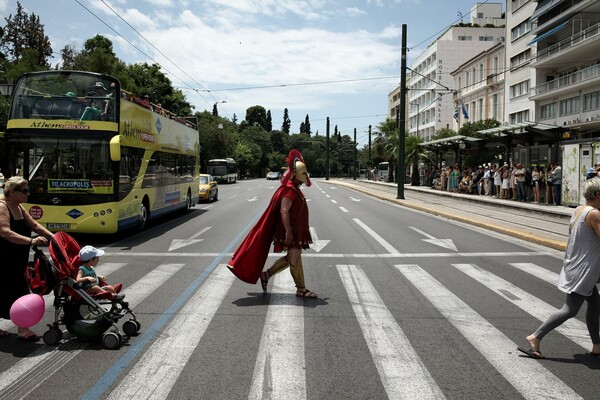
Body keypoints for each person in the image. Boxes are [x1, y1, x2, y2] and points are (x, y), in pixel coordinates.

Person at [518, 177, 600, 359]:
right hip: (583, 271)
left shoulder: (579, 210)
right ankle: (535, 337)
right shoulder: (594, 214)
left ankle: (597, 345)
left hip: (578, 267)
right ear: (598, 194)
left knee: (595, 305)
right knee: (570, 310)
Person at [227, 149, 317, 298]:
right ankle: (299, 288)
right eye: (302, 177)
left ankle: (268, 276)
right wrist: (288, 231)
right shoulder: (290, 190)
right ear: (295, 176)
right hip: (292, 230)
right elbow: (284, 210)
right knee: (294, 255)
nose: (303, 180)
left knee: (295, 255)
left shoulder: (292, 188)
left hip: (295, 230)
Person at [0, 177, 53, 341]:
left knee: (11, 289)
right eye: (24, 191)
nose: (28, 193)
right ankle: (23, 328)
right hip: (3, 258)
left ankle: (22, 327)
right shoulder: (2, 207)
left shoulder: (19, 207)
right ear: (12, 192)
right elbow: (5, 232)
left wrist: (54, 237)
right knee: (15, 291)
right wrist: (31, 241)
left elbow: (35, 226)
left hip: (17, 258)